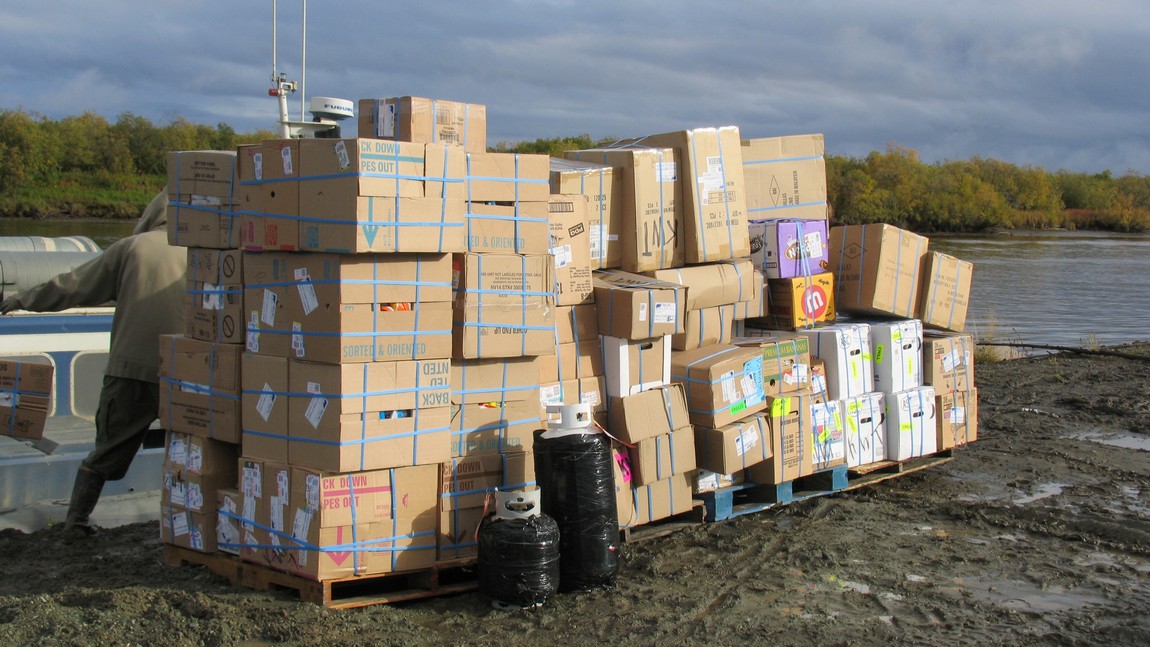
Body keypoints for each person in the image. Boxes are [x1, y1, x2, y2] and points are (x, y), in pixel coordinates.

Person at [0, 191, 186, 536]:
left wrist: (22, 298)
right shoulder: (207, 252)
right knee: (194, 452)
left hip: (131, 368)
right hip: (190, 372)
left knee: (106, 452)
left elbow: (74, 287)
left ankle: (76, 523)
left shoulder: (132, 248)